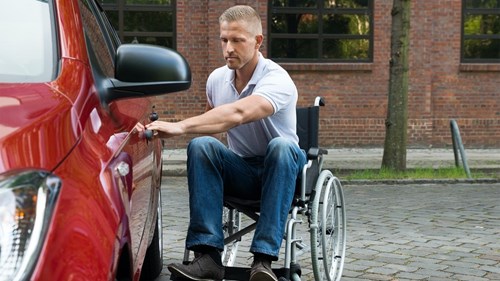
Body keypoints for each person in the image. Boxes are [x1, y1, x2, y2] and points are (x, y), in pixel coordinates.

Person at [143, 5, 306, 281]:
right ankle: (207, 258)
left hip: (280, 172)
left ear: (257, 42)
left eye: (237, 40)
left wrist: (180, 126)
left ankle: (263, 261)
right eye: (224, 40)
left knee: (281, 147)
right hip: (241, 169)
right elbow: (213, 124)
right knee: (202, 145)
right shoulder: (216, 80)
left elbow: (238, 114)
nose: (228, 48)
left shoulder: (277, 79)